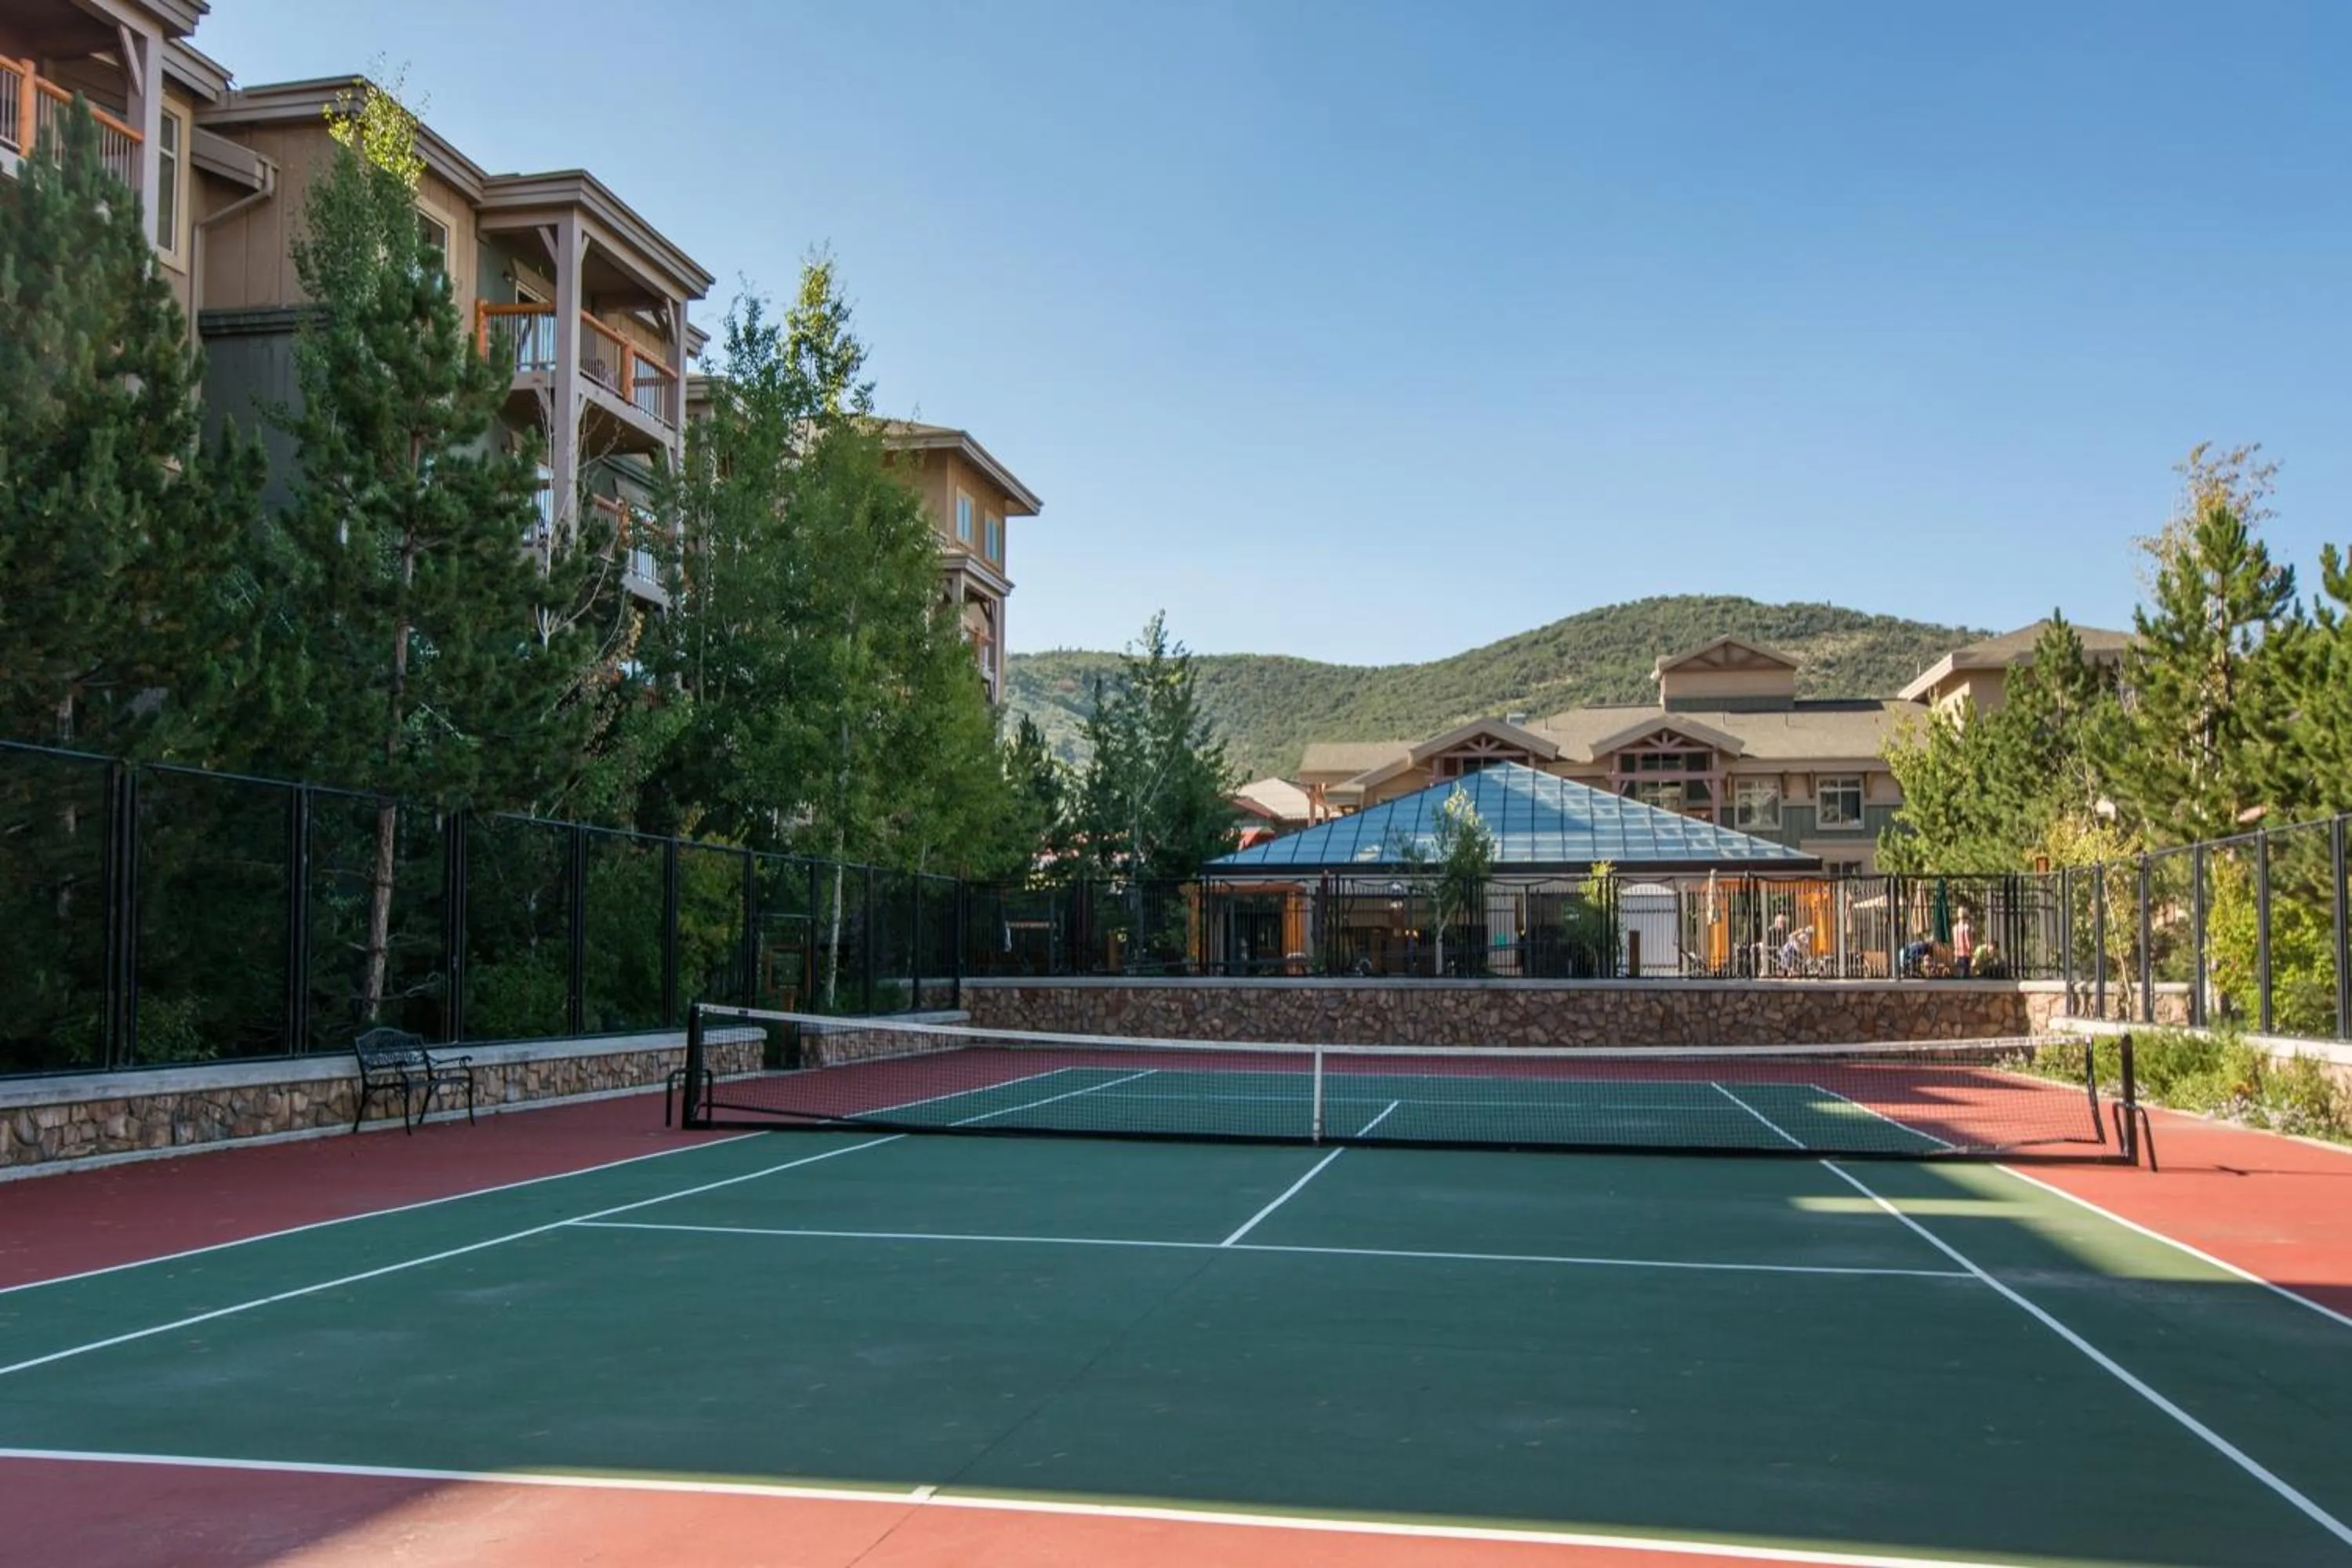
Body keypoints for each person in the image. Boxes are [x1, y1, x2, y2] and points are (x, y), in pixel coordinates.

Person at [1951, 909, 1975, 978]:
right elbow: (1968, 942)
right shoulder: (1967, 927)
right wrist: (1972, 952)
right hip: (1966, 954)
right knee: (1966, 974)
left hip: (1958, 953)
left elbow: (1955, 942)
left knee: (1960, 974)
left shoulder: (1955, 928)